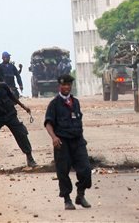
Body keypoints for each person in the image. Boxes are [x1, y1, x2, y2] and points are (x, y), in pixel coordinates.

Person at [44, 74, 92, 210]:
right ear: (59, 86)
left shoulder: (75, 102)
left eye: (69, 85)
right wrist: (54, 137)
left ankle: (80, 194)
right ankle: (67, 199)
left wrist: (82, 137)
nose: (67, 87)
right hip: (62, 142)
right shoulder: (54, 104)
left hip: (78, 141)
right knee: (63, 172)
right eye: (64, 85)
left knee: (86, 169)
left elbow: (78, 120)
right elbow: (48, 123)